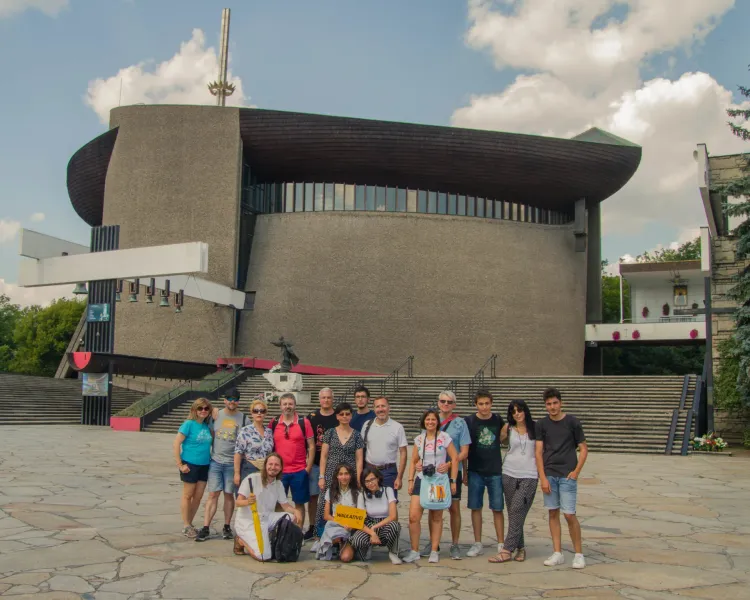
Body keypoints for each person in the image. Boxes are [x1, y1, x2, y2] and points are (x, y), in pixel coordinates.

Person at [416, 390, 472, 560]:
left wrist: (450, 465)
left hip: (450, 472)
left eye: (449, 402)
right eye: (442, 401)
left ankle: (455, 544)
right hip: (432, 475)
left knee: (453, 508)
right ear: (438, 402)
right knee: (433, 507)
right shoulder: (432, 419)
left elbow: (464, 451)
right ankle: (435, 544)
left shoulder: (460, 423)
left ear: (454, 405)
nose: (445, 404)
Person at [536, 387, 588, 569]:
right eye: (549, 404)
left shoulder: (572, 422)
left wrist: (576, 472)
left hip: (567, 475)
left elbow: (583, 448)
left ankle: (579, 554)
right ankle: (557, 552)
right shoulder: (541, 424)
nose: (552, 407)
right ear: (545, 406)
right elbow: (538, 452)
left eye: (555, 403)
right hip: (550, 474)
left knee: (569, 514)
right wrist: (542, 477)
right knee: (552, 512)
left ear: (561, 403)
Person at [403, 409, 459, 564]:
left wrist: (451, 475)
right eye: (427, 419)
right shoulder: (419, 439)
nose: (430, 422)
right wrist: (410, 480)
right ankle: (414, 550)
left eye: (433, 420)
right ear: (424, 422)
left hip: (438, 480)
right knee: (414, 516)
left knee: (436, 516)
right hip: (422, 479)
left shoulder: (444, 437)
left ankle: (434, 550)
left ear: (437, 422)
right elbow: (413, 460)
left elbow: (455, 458)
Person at [489, 400, 538, 563]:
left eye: (520, 410)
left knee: (517, 508)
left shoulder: (535, 428)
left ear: (525, 411)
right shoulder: (508, 428)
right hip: (509, 472)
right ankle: (521, 548)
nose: (517, 414)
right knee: (514, 513)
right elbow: (496, 443)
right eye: (513, 411)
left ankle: (507, 549)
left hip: (529, 474)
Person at [195, 388, 247, 542]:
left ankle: (226, 526)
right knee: (213, 494)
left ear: (238, 401)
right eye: (229, 399)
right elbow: (210, 433)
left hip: (232, 463)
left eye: (235, 399)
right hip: (216, 461)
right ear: (225, 400)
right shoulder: (216, 415)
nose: (232, 402)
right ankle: (205, 527)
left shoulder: (243, 419)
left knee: (229, 494)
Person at [234, 453, 303, 560]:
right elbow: (238, 502)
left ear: (280, 468)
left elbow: (285, 505)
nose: (273, 467)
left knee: (291, 517)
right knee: (263, 556)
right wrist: (248, 501)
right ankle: (241, 540)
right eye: (270, 464)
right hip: (249, 520)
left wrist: (295, 511)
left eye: (276, 465)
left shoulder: (278, 484)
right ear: (265, 465)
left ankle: (273, 540)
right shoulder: (252, 478)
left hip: (267, 518)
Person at [464, 389, 505, 558]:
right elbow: (464, 447)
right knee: (476, 507)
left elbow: (504, 436)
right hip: (475, 470)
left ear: (491, 404)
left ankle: (501, 543)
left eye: (487, 403)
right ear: (476, 405)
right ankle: (477, 542)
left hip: (494, 470)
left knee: (497, 508)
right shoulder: (469, 421)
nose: (484, 407)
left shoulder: (497, 420)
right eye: (481, 404)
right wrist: (465, 471)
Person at [316, 402, 364, 536]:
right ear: (337, 416)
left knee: (350, 500)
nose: (344, 416)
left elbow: (359, 458)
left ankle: (348, 531)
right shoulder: (330, 433)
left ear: (351, 415)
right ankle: (321, 534)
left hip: (350, 474)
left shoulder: (357, 435)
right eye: (341, 414)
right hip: (331, 472)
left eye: (347, 414)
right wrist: (321, 476)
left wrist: (359, 478)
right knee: (326, 503)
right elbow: (324, 456)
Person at [270, 393, 315, 529]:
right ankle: (279, 530)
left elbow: (311, 446)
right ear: (280, 406)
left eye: (290, 404)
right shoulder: (274, 422)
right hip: (279, 472)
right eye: (285, 404)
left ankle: (298, 533)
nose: (288, 407)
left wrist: (307, 468)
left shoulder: (303, 422)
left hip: (299, 471)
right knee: (278, 503)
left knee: (299, 503)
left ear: (295, 405)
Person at [173, 398, 214, 538]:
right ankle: (186, 525)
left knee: (198, 496)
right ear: (194, 410)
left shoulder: (207, 426)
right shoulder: (188, 424)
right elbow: (176, 443)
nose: (203, 411)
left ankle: (189, 524)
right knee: (188, 495)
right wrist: (180, 464)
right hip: (190, 463)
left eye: (206, 408)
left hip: (204, 464)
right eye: (200, 408)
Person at [350, 466, 403, 564]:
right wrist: (372, 532)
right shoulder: (362, 495)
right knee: (357, 540)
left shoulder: (388, 491)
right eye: (366, 481)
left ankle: (393, 552)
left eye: (372, 479)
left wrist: (375, 527)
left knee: (395, 526)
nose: (370, 483)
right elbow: (359, 521)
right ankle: (368, 547)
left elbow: (393, 516)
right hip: (369, 524)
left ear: (378, 478)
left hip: (385, 523)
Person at [305, 387, 339, 540]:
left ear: (333, 399)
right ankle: (312, 526)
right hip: (315, 463)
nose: (326, 400)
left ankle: (329, 525)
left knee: (332, 497)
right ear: (319, 399)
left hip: (334, 463)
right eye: (323, 398)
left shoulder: (338, 417)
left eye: (329, 398)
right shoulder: (311, 417)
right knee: (313, 496)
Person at [315, 463, 364, 561]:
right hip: (335, 525)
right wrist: (341, 522)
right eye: (340, 474)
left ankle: (348, 545)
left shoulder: (358, 492)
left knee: (346, 558)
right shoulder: (331, 491)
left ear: (351, 475)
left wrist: (351, 525)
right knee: (335, 537)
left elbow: (360, 517)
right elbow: (326, 516)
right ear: (337, 476)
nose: (344, 477)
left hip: (351, 528)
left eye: (346, 474)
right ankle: (337, 543)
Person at [360, 396, 408, 495]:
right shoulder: (366, 425)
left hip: (389, 472)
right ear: (374, 409)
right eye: (378, 406)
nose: (381, 409)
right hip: (370, 471)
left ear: (388, 407)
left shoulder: (397, 427)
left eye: (383, 406)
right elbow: (360, 450)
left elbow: (403, 453)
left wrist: (399, 477)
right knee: (369, 503)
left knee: (391, 504)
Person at [234, 398, 274, 486]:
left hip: (265, 470)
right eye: (256, 411)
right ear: (252, 413)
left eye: (262, 411)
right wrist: (236, 473)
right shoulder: (245, 431)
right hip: (249, 468)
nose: (259, 413)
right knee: (248, 498)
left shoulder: (269, 432)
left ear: (265, 413)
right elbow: (238, 453)